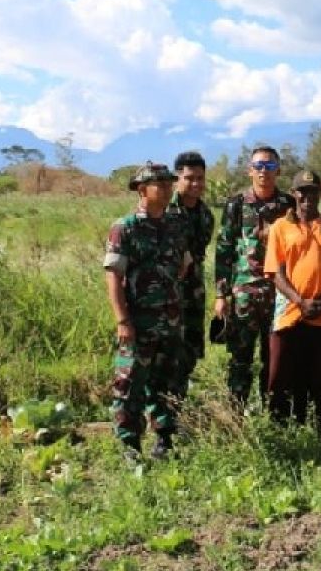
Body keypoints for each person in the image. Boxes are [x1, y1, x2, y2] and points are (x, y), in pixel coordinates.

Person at [104, 162, 191, 460]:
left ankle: (164, 442)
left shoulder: (175, 225)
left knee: (167, 382)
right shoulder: (125, 228)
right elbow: (113, 276)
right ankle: (130, 446)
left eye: (169, 184)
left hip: (170, 320)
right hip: (138, 321)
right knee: (129, 384)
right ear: (142, 190)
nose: (167, 189)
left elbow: (184, 265)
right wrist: (122, 320)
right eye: (160, 184)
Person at [264, 169, 321, 438]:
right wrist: (299, 300)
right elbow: (275, 272)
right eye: (302, 192)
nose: (307, 198)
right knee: (280, 376)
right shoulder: (280, 227)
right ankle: (279, 432)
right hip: (290, 313)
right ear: (294, 195)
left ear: (319, 195)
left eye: (313, 192)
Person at [213, 146, 296, 410]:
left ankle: (272, 414)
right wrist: (220, 295)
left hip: (280, 293)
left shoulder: (288, 206)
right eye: (259, 166)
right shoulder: (236, 204)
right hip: (244, 294)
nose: (264, 172)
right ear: (250, 170)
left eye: (269, 167)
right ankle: (235, 415)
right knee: (241, 358)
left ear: (278, 171)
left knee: (275, 357)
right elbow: (224, 249)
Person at [166, 151, 215, 391]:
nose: (196, 183)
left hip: (193, 295)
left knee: (189, 354)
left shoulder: (206, 216)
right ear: (177, 179)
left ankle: (178, 408)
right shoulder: (164, 211)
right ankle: (162, 414)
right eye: (189, 178)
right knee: (166, 356)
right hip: (166, 296)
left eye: (200, 178)